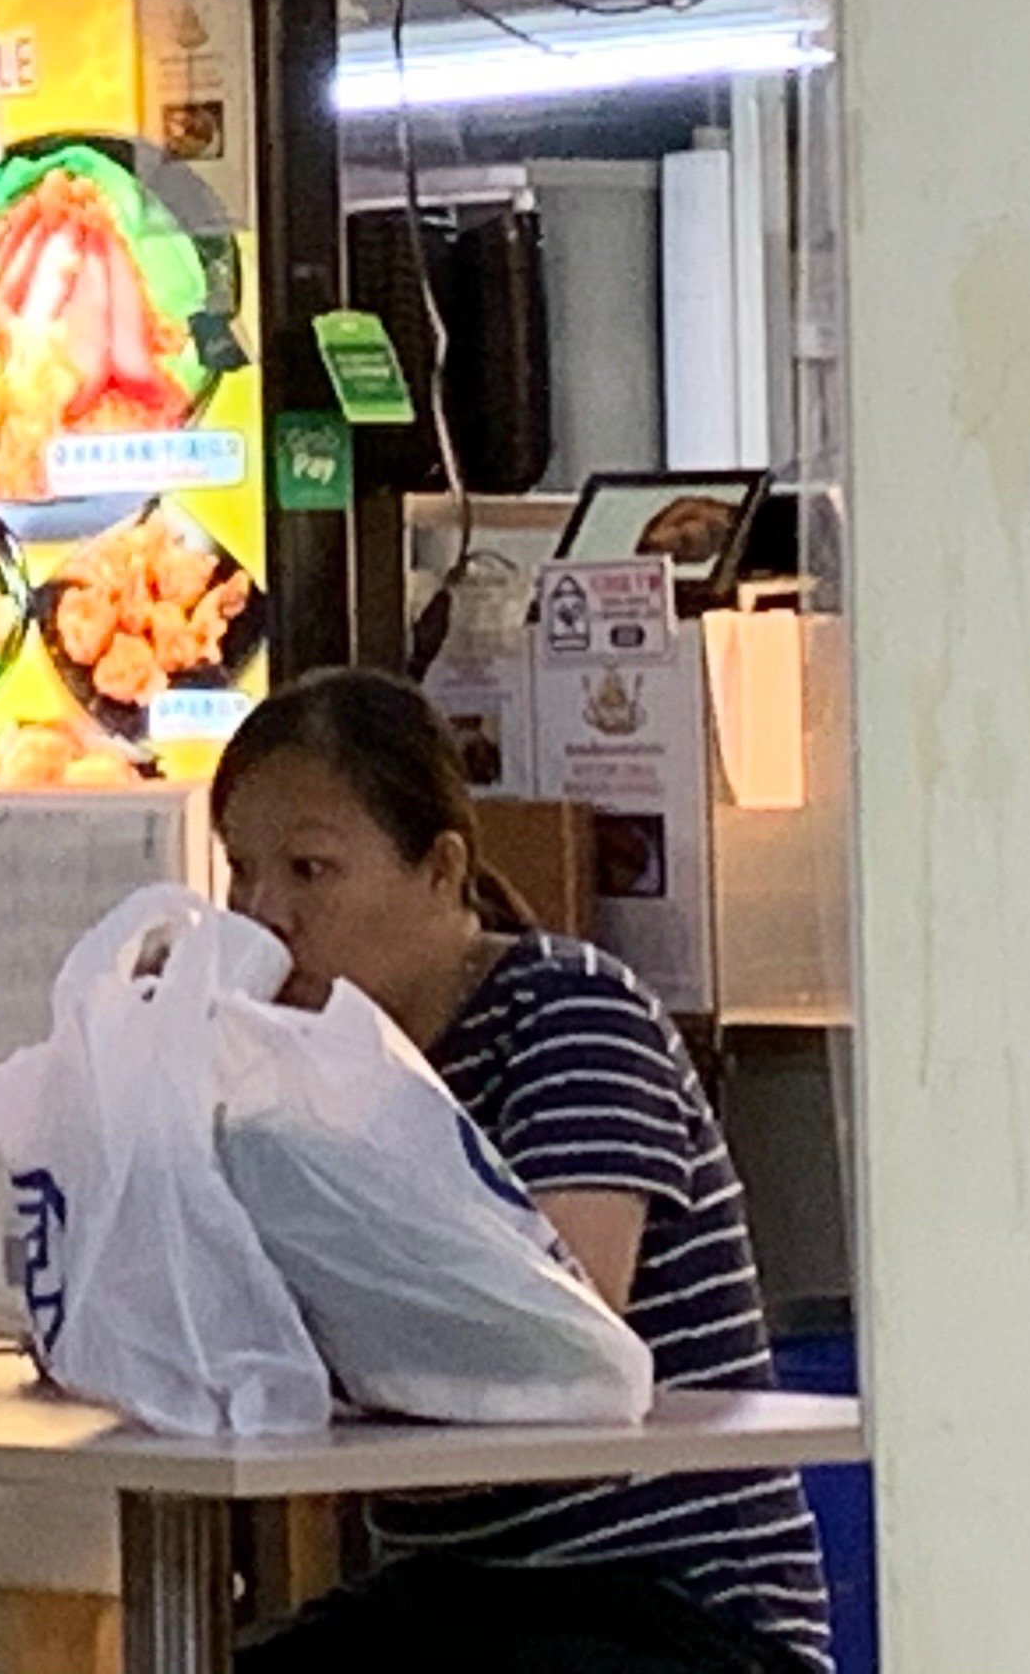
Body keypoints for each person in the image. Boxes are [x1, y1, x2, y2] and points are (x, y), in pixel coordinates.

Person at [211, 671, 829, 1674]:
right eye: (242, 872)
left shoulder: (573, 1016)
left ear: (441, 868)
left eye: (310, 870)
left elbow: (553, 1337)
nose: (265, 912)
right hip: (462, 1593)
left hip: (669, 1605)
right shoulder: (299, 1073)